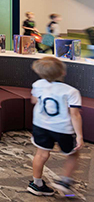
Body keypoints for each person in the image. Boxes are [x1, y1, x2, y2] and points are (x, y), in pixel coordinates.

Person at [27, 57, 83, 197]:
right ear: (63, 72)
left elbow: (34, 100)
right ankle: (64, 181)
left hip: (40, 125)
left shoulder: (38, 84)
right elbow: (75, 115)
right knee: (72, 154)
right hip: (62, 129)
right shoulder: (71, 91)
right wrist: (80, 136)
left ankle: (37, 184)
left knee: (41, 154)